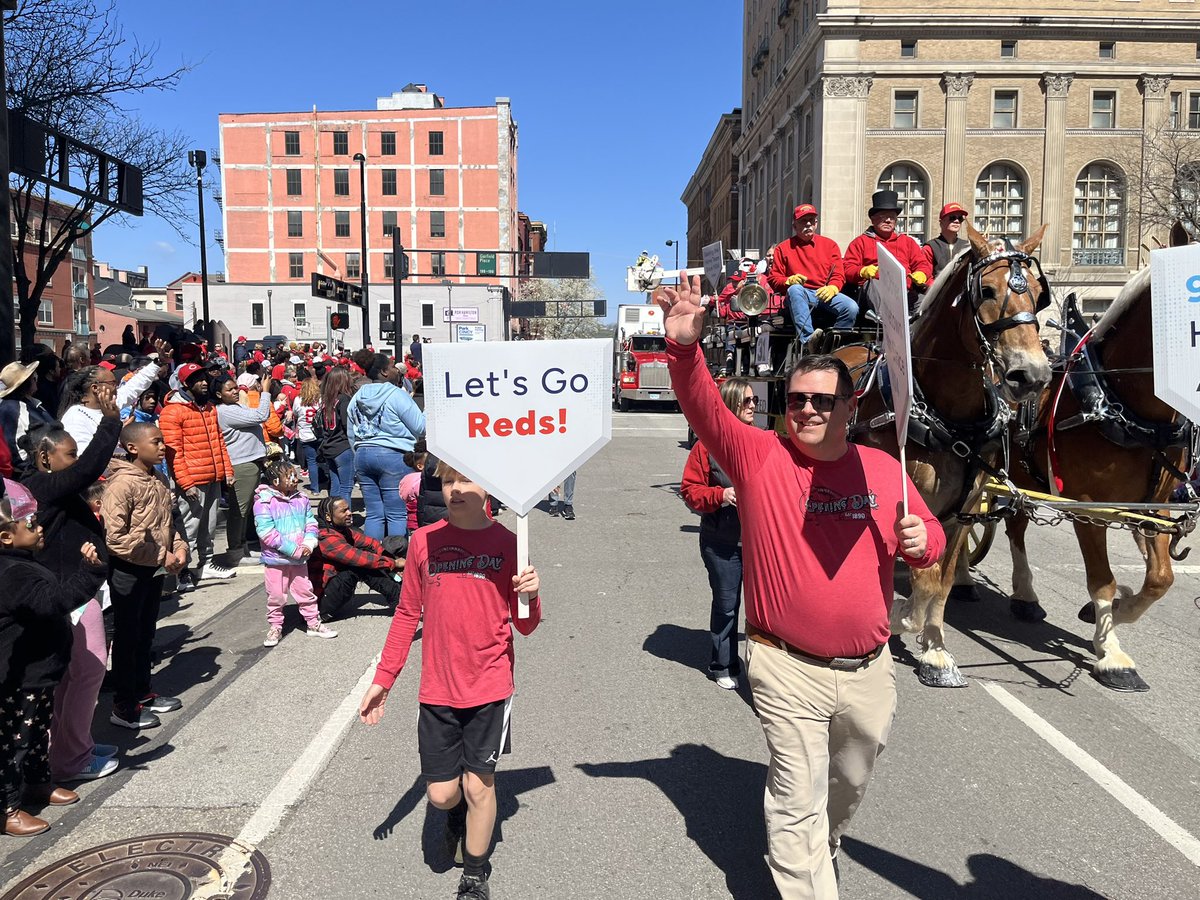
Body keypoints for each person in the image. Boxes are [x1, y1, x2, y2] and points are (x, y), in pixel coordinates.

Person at [657, 275, 945, 900]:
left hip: (870, 671)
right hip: (785, 667)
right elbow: (704, 405)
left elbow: (927, 530)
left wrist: (925, 540)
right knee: (794, 801)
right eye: (794, 401)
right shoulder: (760, 457)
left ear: (849, 408)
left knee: (847, 784)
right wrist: (683, 350)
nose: (806, 410)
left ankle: (826, 843)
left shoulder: (880, 466)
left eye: (820, 401)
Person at [359, 462, 543, 900]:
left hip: (490, 686)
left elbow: (527, 626)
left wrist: (531, 596)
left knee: (480, 784)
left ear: (490, 486)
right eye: (447, 481)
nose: (455, 489)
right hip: (437, 688)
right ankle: (454, 816)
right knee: (443, 794)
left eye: (465, 479)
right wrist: (384, 678)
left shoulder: (510, 545)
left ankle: (475, 876)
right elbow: (407, 614)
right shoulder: (424, 542)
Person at [0, 479, 107, 837]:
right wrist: (89, 573)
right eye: (29, 523)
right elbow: (54, 602)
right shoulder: (13, 573)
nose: (39, 525)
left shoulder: (24, 563)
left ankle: (37, 783)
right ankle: (7, 807)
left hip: (41, 673)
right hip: (20, 679)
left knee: (35, 734)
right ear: (5, 537)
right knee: (14, 742)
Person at [21, 400, 121, 774]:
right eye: (69, 454)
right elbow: (87, 471)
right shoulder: (42, 486)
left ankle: (69, 748)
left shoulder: (48, 487)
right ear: (44, 457)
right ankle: (72, 757)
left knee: (73, 676)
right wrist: (110, 424)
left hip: (75, 588)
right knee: (90, 670)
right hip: (70, 594)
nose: (76, 462)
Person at [102, 423, 189, 731]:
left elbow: (170, 523)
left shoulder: (159, 478)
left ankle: (143, 691)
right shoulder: (121, 485)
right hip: (128, 570)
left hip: (155, 568)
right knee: (127, 638)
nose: (162, 446)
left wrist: (179, 549)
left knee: (146, 633)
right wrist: (157, 555)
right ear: (133, 448)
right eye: (156, 441)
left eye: (163, 440)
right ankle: (124, 705)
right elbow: (115, 538)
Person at [680, 377, 756, 690]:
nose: (753, 406)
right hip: (721, 544)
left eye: (754, 401)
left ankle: (764, 669)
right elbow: (689, 491)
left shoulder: (760, 439)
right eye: (747, 401)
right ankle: (722, 664)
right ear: (731, 404)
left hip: (758, 545)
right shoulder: (706, 446)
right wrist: (721, 496)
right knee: (727, 605)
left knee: (762, 610)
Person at [159, 363, 237, 590]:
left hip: (212, 476)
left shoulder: (210, 408)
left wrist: (227, 470)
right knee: (188, 528)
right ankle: (183, 572)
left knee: (209, 526)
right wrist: (185, 482)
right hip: (192, 479)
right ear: (186, 384)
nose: (204, 382)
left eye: (204, 378)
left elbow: (219, 441)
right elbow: (173, 453)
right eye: (197, 379)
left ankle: (205, 564)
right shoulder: (173, 411)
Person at [254, 459, 337, 647]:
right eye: (289, 475)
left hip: (299, 559)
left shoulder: (302, 498)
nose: (295, 478)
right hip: (276, 560)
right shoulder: (264, 501)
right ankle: (275, 626)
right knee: (276, 595)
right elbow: (266, 532)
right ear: (275, 481)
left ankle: (313, 623)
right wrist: (293, 550)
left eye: (294, 473)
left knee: (305, 591)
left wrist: (309, 543)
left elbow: (311, 522)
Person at [347, 353, 426, 540]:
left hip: (363, 454)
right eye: (392, 366)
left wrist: (359, 451)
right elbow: (420, 427)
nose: (396, 370)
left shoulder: (357, 397)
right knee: (396, 513)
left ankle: (374, 560)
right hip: (393, 455)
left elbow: (351, 432)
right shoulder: (396, 394)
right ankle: (395, 559)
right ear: (383, 372)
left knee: (374, 514)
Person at [768, 205, 858, 346]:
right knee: (795, 289)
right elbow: (773, 279)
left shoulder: (830, 245)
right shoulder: (783, 248)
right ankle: (809, 341)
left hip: (823, 293)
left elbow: (838, 274)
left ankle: (835, 344)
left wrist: (833, 287)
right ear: (794, 226)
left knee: (851, 307)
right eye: (803, 221)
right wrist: (788, 281)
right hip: (799, 294)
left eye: (811, 220)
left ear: (816, 223)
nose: (808, 224)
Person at [308, 496, 402, 622]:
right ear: (328, 517)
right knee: (360, 564)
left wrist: (392, 560)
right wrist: (394, 563)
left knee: (394, 545)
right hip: (319, 606)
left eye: (348, 509)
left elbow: (371, 543)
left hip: (330, 592)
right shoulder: (324, 536)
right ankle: (400, 600)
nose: (349, 513)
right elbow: (360, 559)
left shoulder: (341, 530)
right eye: (344, 511)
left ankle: (402, 592)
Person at [213, 372, 272, 566]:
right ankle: (236, 552)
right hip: (241, 463)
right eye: (229, 390)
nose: (235, 392)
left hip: (250, 461)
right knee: (239, 510)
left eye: (235, 388)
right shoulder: (225, 410)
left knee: (245, 511)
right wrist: (265, 392)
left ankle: (242, 548)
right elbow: (261, 415)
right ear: (219, 394)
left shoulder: (234, 407)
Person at [843, 190, 932, 314]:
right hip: (876, 290)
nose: (888, 220)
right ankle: (886, 319)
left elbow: (922, 264)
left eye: (892, 217)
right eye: (883, 216)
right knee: (873, 284)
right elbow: (847, 268)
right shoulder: (860, 242)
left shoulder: (907, 242)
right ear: (873, 220)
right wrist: (862, 271)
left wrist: (921, 273)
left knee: (927, 304)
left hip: (906, 291)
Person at [59, 350, 164, 454]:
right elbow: (85, 457)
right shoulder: (75, 417)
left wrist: (157, 363)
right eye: (112, 383)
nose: (116, 387)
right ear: (95, 388)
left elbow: (134, 386)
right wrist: (116, 431)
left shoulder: (109, 405)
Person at [0, 360, 55, 472]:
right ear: (27, 382)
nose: (36, 380)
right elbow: (16, 446)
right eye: (33, 378)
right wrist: (31, 468)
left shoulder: (30, 402)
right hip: (34, 471)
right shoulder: (12, 409)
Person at [314, 366, 355, 506]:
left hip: (329, 446)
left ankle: (332, 517)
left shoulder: (327, 400)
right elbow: (346, 424)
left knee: (335, 488)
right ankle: (343, 519)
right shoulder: (344, 399)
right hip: (343, 446)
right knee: (346, 488)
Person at [293, 370, 323, 493]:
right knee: (324, 460)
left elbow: (295, 413)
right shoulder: (320, 400)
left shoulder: (298, 400)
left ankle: (315, 488)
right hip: (319, 433)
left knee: (311, 461)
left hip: (305, 433)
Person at [923, 202, 971, 277]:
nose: (957, 221)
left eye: (960, 218)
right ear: (941, 222)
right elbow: (926, 275)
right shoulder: (930, 247)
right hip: (937, 288)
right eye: (952, 217)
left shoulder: (967, 247)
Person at [400, 441, 427, 534]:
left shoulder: (406, 478)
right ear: (420, 466)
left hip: (411, 521)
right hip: (421, 520)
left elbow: (403, 495)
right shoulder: (422, 479)